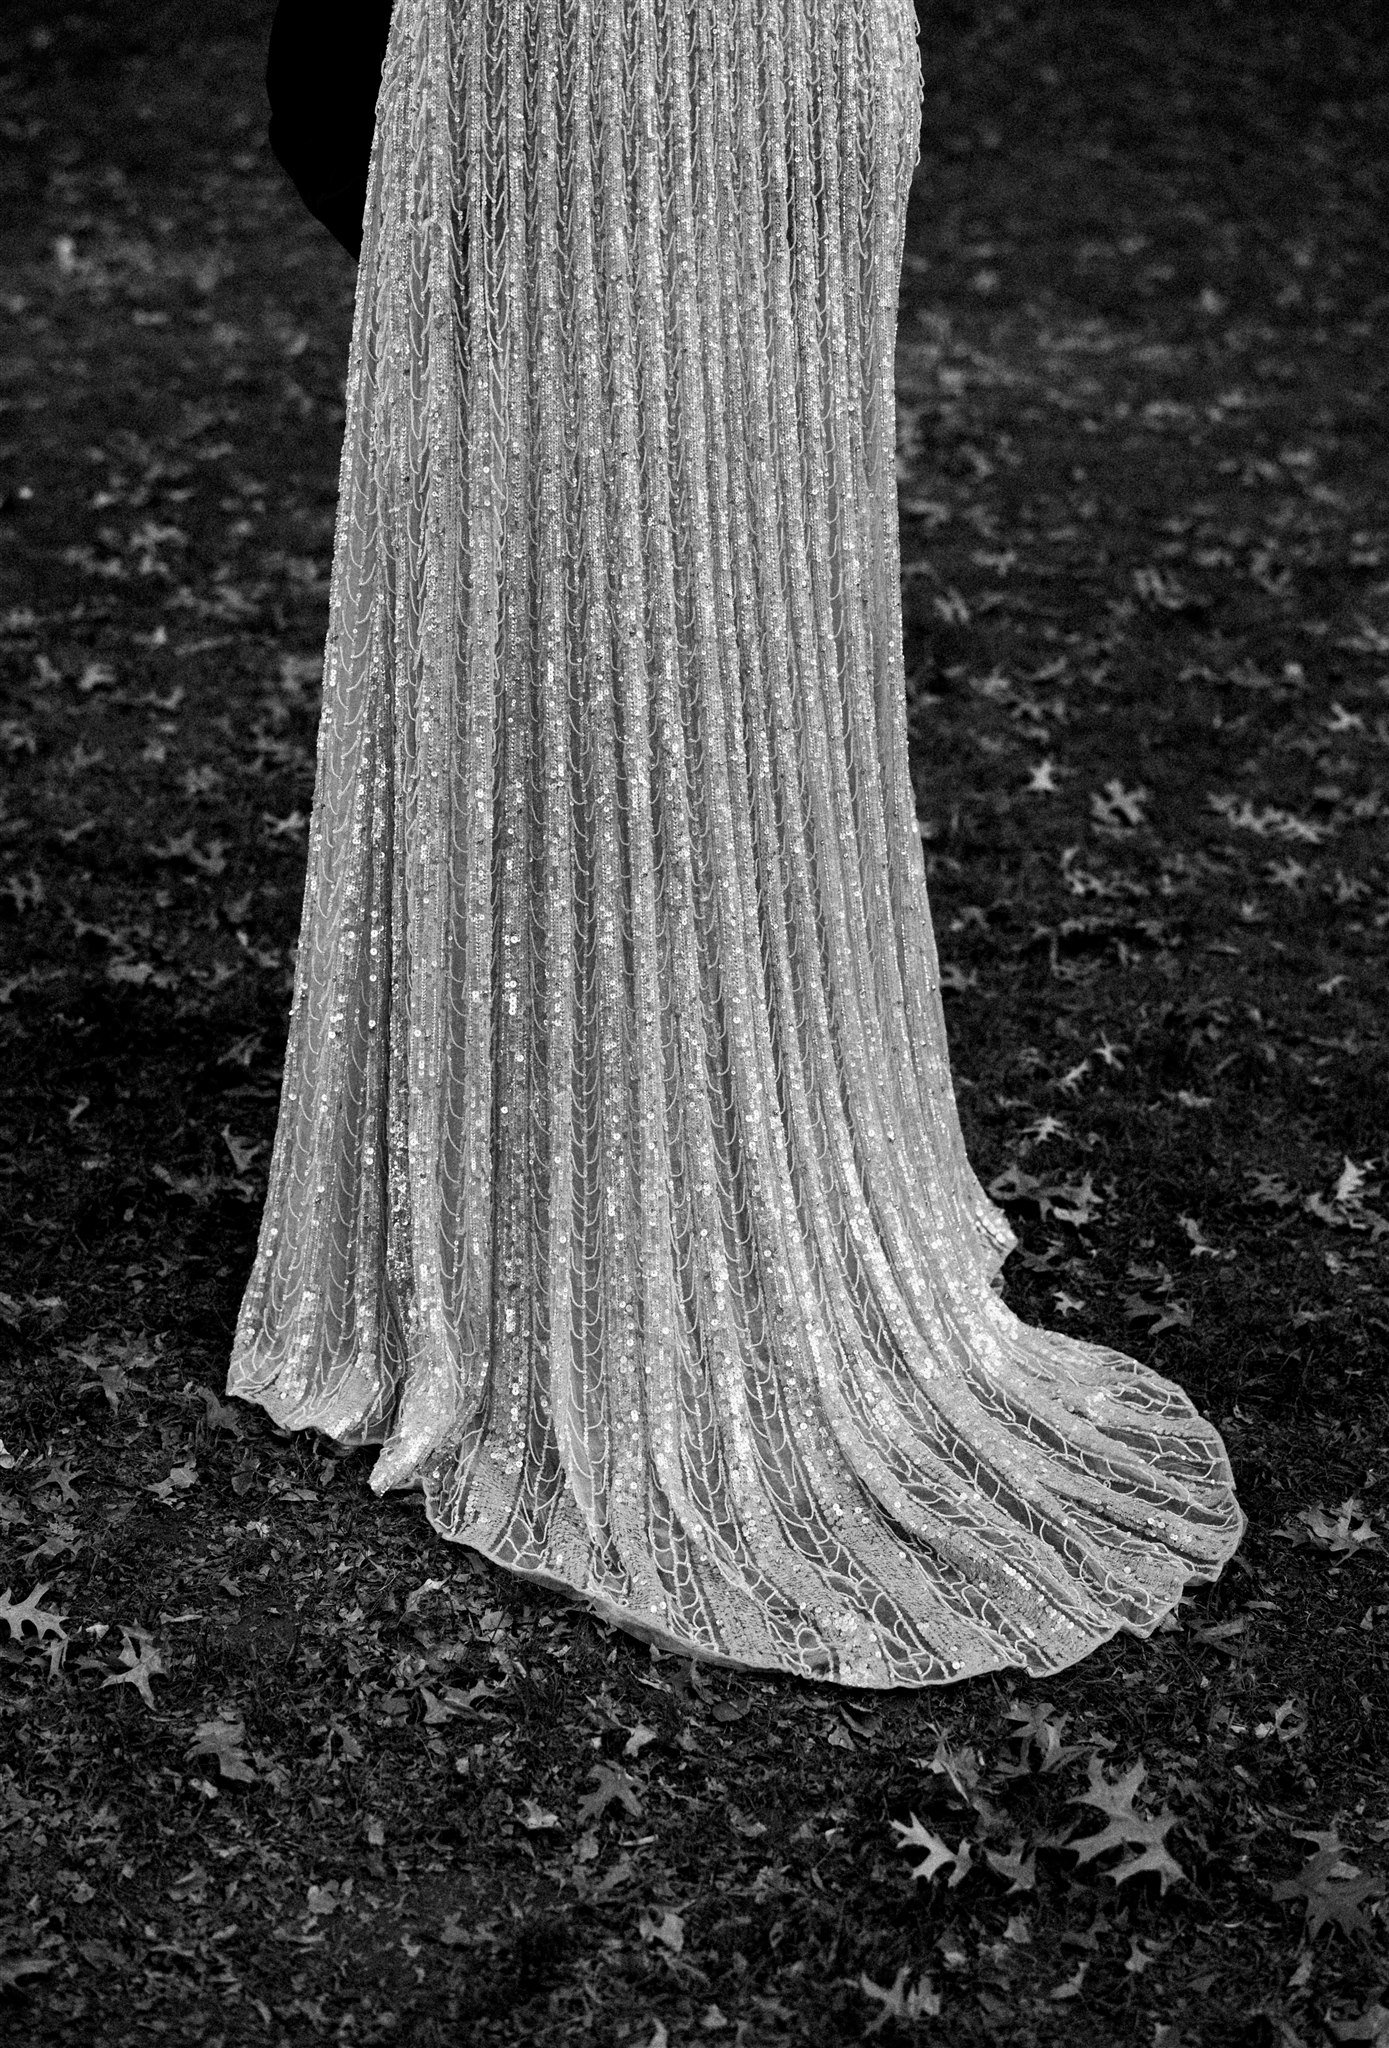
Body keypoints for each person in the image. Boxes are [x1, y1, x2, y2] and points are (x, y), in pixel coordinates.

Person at [231, 0, 1244, 1687]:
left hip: (662, 75)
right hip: (687, 70)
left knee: (670, 600)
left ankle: (614, 1206)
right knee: (658, 604)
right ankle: (614, 1165)